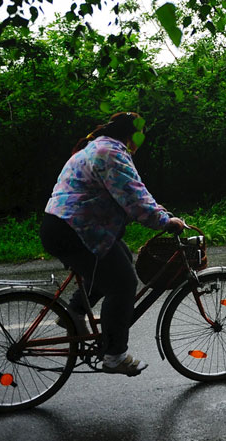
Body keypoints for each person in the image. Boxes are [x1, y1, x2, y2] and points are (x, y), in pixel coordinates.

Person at [40, 111, 185, 376]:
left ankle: (74, 311)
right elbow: (134, 198)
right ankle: (115, 355)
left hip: (68, 226)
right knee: (123, 282)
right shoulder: (112, 154)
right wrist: (165, 222)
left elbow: (130, 194)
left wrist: (157, 211)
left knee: (120, 258)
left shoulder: (98, 146)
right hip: (75, 230)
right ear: (133, 136)